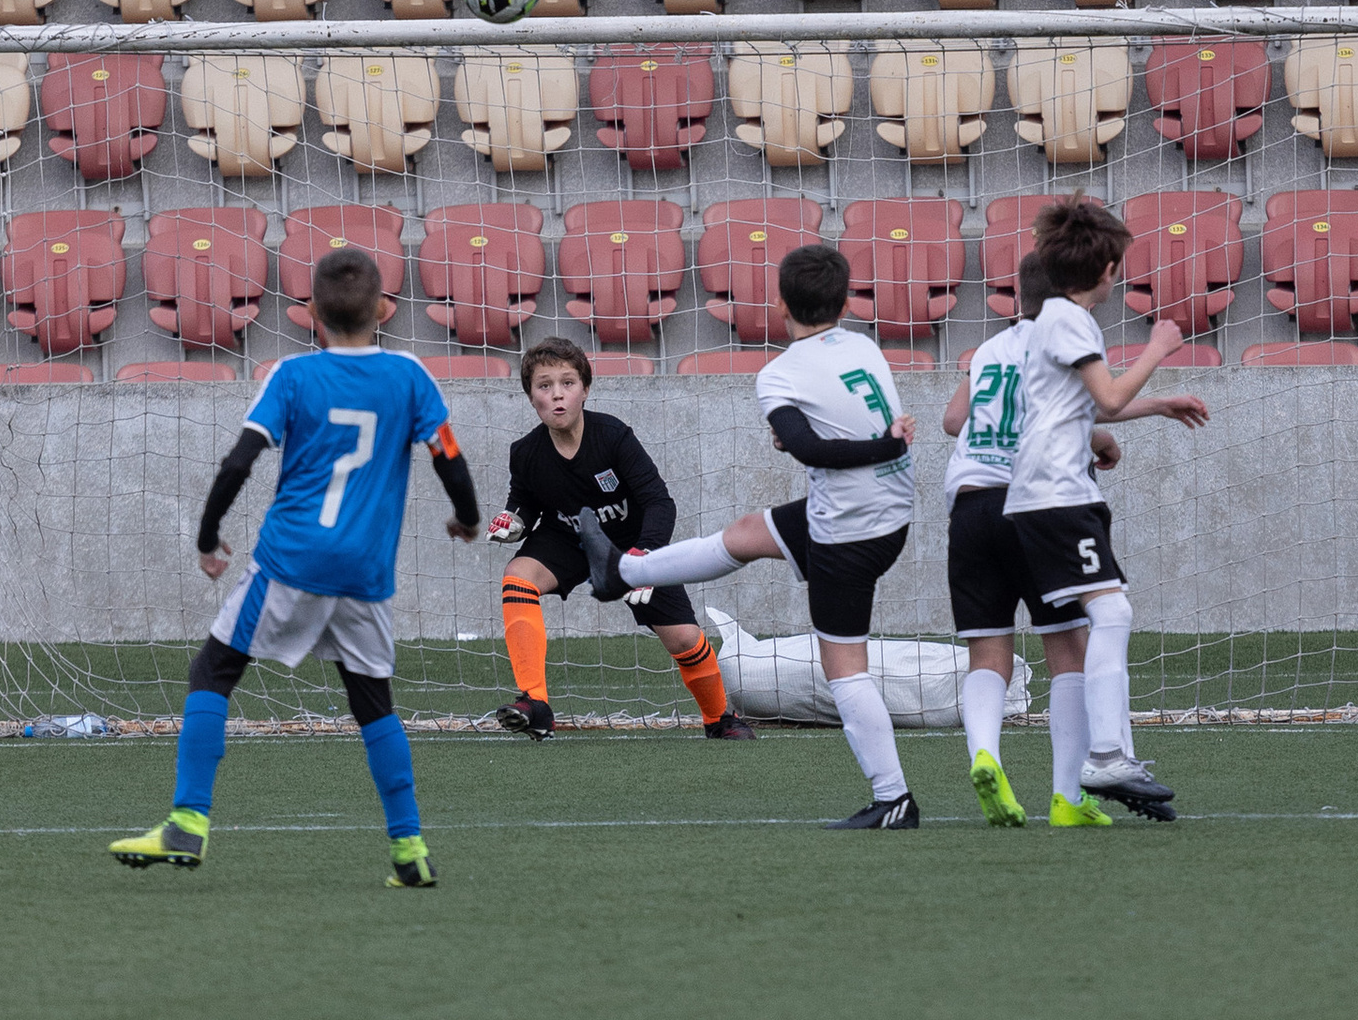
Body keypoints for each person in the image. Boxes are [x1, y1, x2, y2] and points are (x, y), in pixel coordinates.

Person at [109, 242, 478, 884]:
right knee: (374, 706)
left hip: (292, 559)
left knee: (213, 671)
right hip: (364, 573)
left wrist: (208, 535)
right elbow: (448, 455)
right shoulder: (410, 376)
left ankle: (187, 823)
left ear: (310, 312)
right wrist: (468, 518)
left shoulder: (292, 377)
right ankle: (409, 849)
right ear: (385, 310)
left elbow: (239, 460)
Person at [597, 241, 922, 830]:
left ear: (778, 305)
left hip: (846, 531)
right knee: (749, 533)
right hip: (887, 510)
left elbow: (810, 447)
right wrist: (818, 437)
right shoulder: (863, 344)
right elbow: (821, 429)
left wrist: (883, 443)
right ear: (847, 300)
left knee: (844, 667)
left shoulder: (779, 374)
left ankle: (893, 797)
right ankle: (622, 571)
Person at [942, 248, 1204, 830]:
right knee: (1070, 649)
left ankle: (985, 753)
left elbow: (954, 422)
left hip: (968, 505)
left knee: (987, 652)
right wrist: (1098, 435)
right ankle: (1068, 794)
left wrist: (1120, 423)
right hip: (1036, 503)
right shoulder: (1062, 334)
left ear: (1017, 294)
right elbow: (1068, 410)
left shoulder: (990, 348)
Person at [488, 337, 746, 744]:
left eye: (567, 383)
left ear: (585, 389)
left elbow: (660, 503)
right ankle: (534, 703)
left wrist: (643, 559)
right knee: (517, 576)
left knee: (684, 639)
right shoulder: (525, 452)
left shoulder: (614, 436)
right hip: (565, 540)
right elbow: (523, 503)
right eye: (544, 385)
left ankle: (719, 718)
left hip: (630, 544)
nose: (557, 394)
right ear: (530, 396)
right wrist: (514, 521)